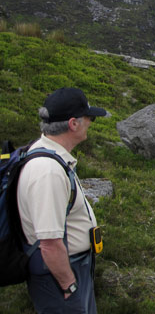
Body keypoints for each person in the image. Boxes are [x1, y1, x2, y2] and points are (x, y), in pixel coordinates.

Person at [17, 87, 107, 313]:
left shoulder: (49, 155)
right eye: (89, 118)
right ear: (73, 124)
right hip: (60, 274)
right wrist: (69, 285)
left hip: (71, 266)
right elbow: (49, 243)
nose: (91, 123)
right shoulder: (48, 171)